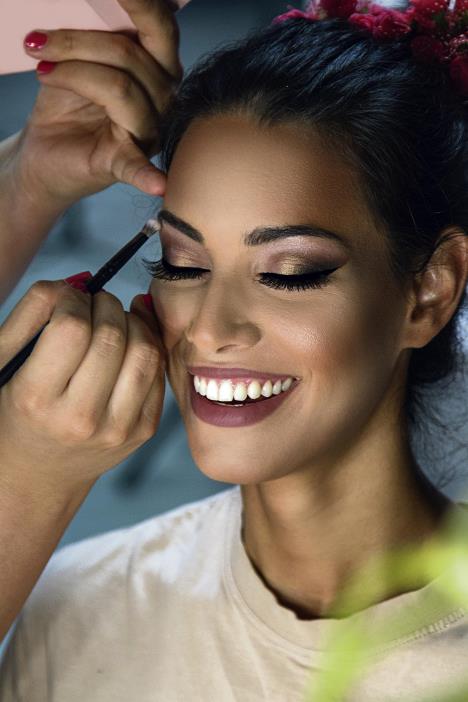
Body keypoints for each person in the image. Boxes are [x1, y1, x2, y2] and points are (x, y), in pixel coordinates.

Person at [1, 0, 468, 699]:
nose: (211, 328)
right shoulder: (76, 605)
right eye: (182, 264)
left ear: (429, 292)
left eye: (290, 273)